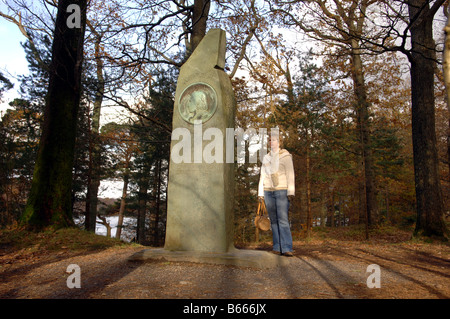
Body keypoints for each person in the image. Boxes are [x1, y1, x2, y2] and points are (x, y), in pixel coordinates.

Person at [258, 133, 295, 256]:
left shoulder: (285, 156)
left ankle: (287, 248)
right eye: (269, 140)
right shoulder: (266, 158)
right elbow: (262, 176)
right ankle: (277, 247)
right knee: (273, 221)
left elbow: (290, 174)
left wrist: (291, 191)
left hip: (282, 190)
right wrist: (260, 194)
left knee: (283, 220)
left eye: (274, 140)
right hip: (268, 191)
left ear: (279, 142)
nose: (271, 142)